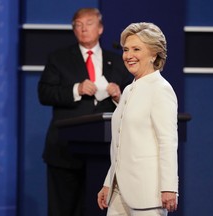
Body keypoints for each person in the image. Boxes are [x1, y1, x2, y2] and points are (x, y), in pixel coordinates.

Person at [38, 7, 132, 216]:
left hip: (105, 152)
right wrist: (76, 89)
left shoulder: (118, 61)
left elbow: (133, 104)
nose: (83, 29)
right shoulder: (58, 58)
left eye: (88, 24)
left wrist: (119, 96)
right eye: (78, 25)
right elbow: (44, 93)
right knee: (62, 209)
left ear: (100, 28)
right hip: (64, 150)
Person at [97, 22, 179, 216]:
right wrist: (109, 182)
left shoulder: (161, 89)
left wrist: (169, 187)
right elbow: (120, 144)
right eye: (126, 50)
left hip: (147, 194)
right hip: (119, 194)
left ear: (154, 54)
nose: (128, 55)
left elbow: (167, 142)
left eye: (136, 49)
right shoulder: (128, 90)